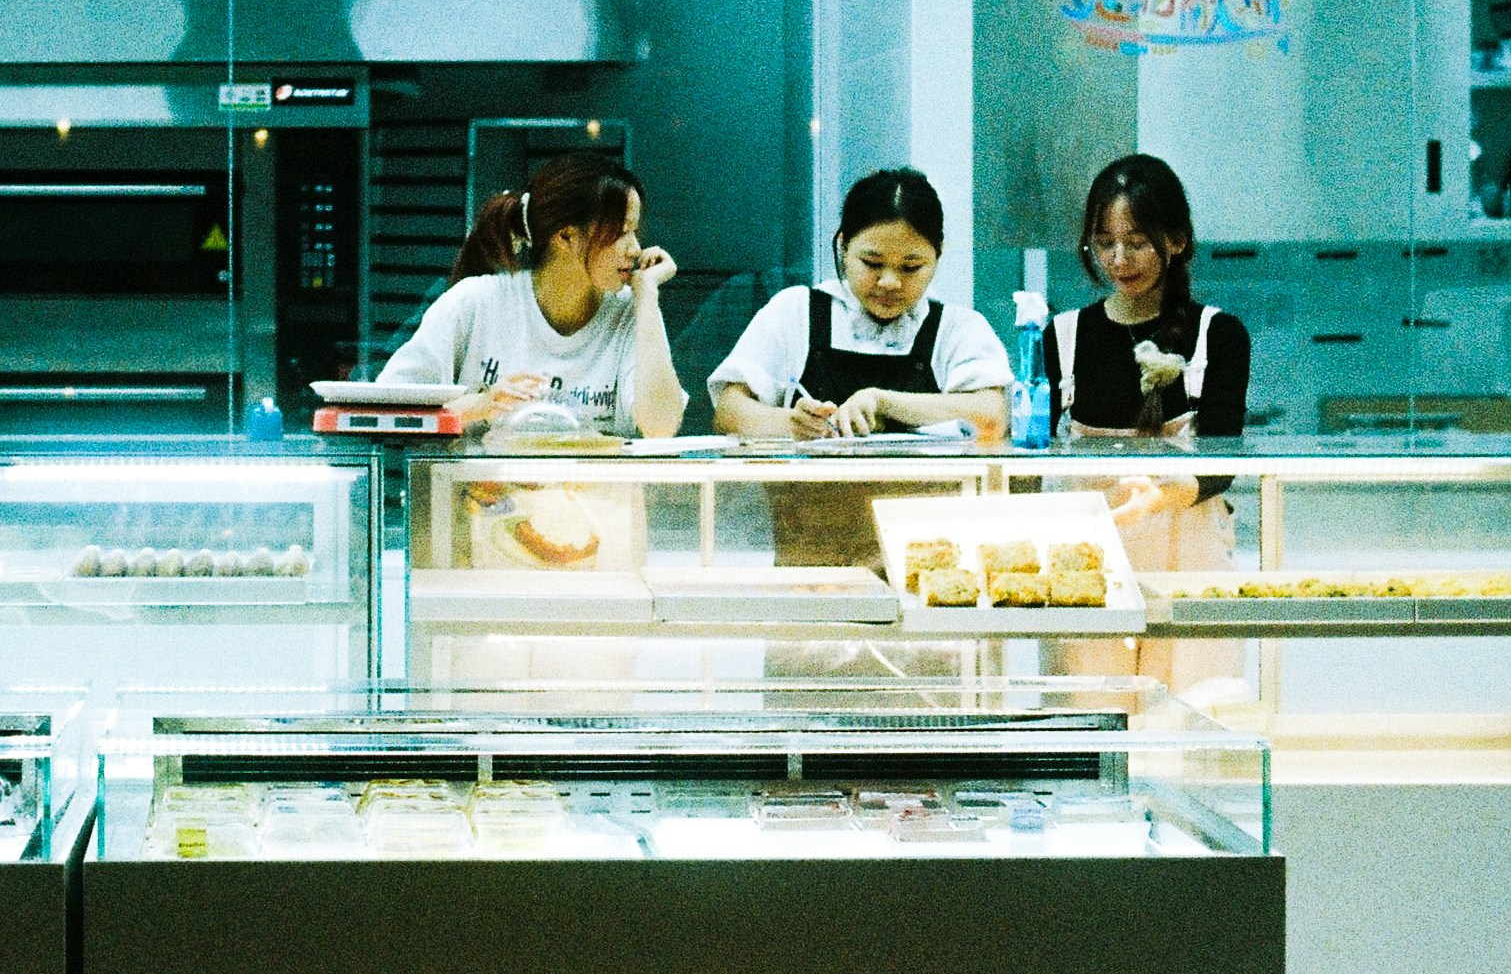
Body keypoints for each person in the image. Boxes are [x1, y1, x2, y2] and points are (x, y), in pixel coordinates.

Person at [1049, 155, 1250, 698]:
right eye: (1104, 242)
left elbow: (1224, 460)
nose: (1119, 259)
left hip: (1186, 540)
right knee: (1090, 706)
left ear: (1177, 238)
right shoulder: (1063, 335)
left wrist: (1160, 496)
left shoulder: (1219, 334)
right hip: (1091, 543)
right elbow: (1036, 455)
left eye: (1136, 242)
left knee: (1192, 703)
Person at [377, 151, 685, 439]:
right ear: (566, 237)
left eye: (634, 232)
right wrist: (482, 404)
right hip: (476, 496)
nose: (634, 249)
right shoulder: (475, 302)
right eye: (621, 233)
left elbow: (660, 427)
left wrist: (647, 297)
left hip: (592, 496)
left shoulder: (631, 311)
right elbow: (387, 414)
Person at [710, 167, 1011, 438]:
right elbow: (729, 412)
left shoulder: (957, 328)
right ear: (843, 246)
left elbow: (992, 414)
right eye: (872, 263)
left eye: (911, 267)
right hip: (805, 499)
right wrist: (790, 424)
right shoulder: (795, 311)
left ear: (938, 254)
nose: (889, 282)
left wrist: (882, 402)